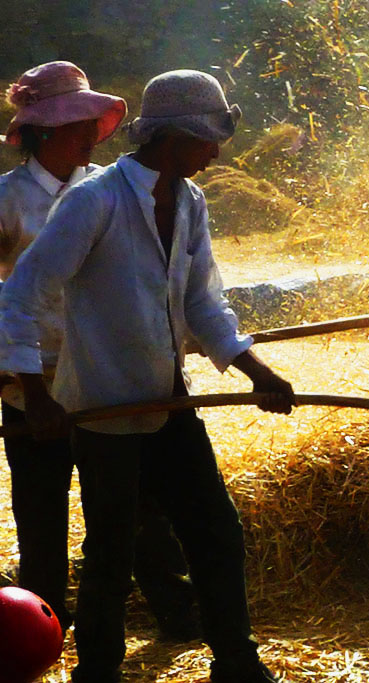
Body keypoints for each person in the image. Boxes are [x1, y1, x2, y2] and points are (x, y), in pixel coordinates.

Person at [0, 69, 295, 683]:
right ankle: (98, 673)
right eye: (208, 138)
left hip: (167, 402)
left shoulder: (188, 202)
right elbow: (22, 296)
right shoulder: (94, 201)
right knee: (111, 550)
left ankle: (236, 663)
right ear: (174, 136)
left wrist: (254, 369)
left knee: (215, 530)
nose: (216, 152)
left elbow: (201, 304)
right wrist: (35, 392)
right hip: (105, 412)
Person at [0, 60, 200, 639]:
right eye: (74, 123)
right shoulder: (8, 201)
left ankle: (176, 612)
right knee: (42, 517)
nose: (89, 133)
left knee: (137, 509)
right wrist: (17, 376)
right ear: (41, 132)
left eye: (92, 120)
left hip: (103, 378)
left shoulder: (108, 189)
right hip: (33, 383)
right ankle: (40, 628)